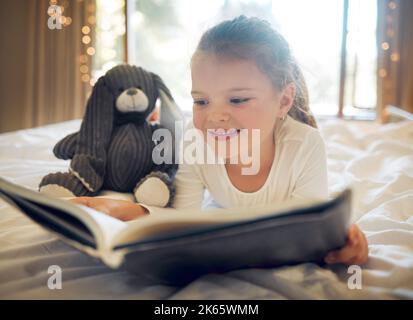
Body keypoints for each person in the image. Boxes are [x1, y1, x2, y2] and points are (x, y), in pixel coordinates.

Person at [70, 16, 368, 265]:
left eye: (237, 99)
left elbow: (305, 232)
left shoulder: (305, 146)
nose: (214, 117)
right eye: (201, 101)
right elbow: (183, 216)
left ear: (284, 100)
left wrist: (343, 239)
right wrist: (125, 210)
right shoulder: (195, 142)